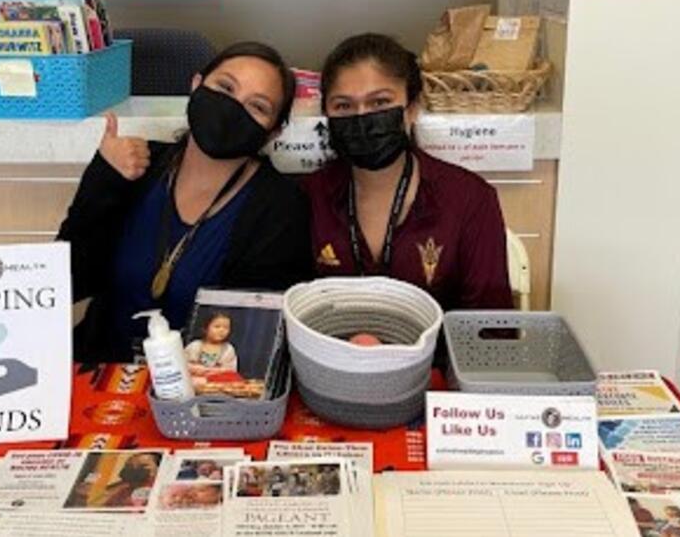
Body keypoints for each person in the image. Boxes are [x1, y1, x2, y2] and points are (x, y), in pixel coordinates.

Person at [59, 42, 314, 363]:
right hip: (102, 370)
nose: (232, 108)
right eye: (224, 87)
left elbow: (254, 336)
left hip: (198, 392)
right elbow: (70, 281)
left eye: (257, 107)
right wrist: (103, 180)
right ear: (196, 86)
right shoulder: (138, 166)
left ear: (273, 132)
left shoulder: (280, 207)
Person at [304, 33, 514, 310]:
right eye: (343, 106)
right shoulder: (307, 196)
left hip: (438, 352)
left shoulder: (470, 199)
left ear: (412, 108)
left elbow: (490, 328)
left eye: (380, 103)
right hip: (328, 351)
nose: (362, 117)